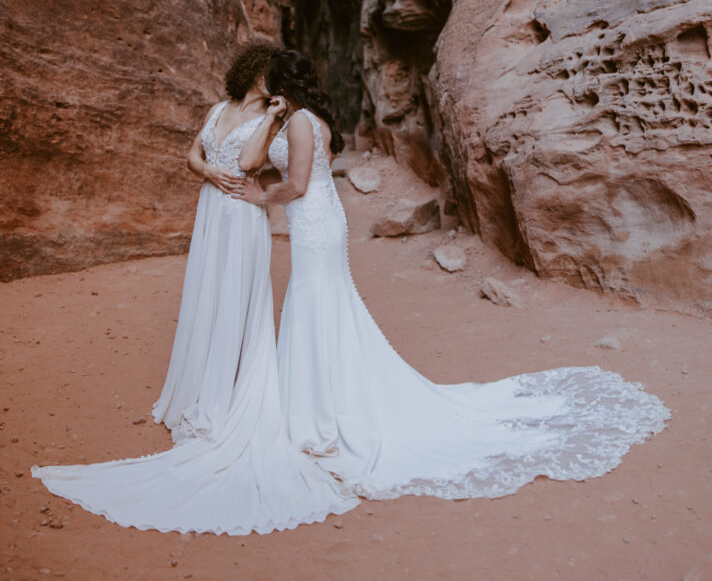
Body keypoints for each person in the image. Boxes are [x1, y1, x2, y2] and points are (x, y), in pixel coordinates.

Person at [235, 48, 670, 500]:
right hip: (317, 220)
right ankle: (322, 398)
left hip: (315, 220)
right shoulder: (300, 119)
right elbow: (263, 163)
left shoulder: (303, 122)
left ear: (282, 83)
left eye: (269, 80)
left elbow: (299, 184)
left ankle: (321, 408)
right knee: (320, 301)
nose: (263, 86)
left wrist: (259, 198)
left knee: (316, 299)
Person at [32, 44, 358, 535]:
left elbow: (256, 167)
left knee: (238, 298)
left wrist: (269, 123)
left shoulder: (279, 117)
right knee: (206, 295)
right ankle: (204, 382)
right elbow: (194, 154)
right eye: (269, 73)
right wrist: (207, 171)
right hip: (211, 210)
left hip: (243, 215)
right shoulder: (216, 109)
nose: (275, 82)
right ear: (253, 72)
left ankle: (229, 394)